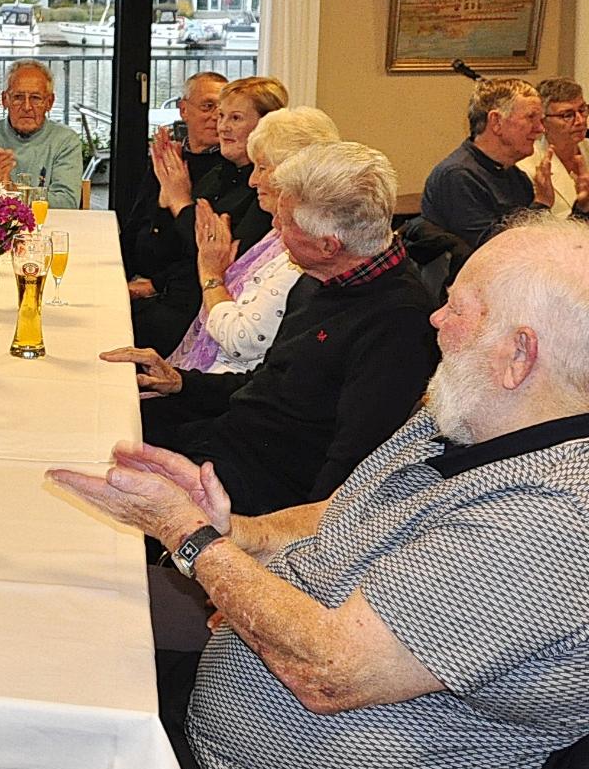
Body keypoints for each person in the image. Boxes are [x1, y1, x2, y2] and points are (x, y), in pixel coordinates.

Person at [49, 215, 589, 769]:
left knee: (31, 722)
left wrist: (192, 539)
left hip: (241, 767)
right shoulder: (468, 420)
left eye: (458, 308)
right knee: (56, 638)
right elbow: (345, 512)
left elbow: (330, 671)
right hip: (219, 708)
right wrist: (235, 533)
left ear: (519, 354)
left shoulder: (553, 521)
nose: (435, 317)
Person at [104, 142, 437, 515]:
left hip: (263, 483)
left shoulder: (398, 323)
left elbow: (350, 467)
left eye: (287, 222)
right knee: (104, 419)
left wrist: (287, 542)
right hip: (230, 436)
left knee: (107, 480)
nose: (275, 226)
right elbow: (266, 382)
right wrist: (182, 382)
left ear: (328, 245)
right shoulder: (320, 278)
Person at [167, 106, 340, 374]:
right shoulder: (277, 232)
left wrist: (211, 275)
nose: (252, 180)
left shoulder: (301, 250)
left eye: (262, 167)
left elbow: (243, 341)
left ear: (293, 174)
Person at [129, 76, 286, 356]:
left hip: (205, 315)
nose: (222, 125)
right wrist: (166, 202)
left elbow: (226, 262)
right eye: (221, 115)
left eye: (235, 118)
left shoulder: (266, 192)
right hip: (174, 297)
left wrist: (180, 202)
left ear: (266, 126)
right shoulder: (217, 173)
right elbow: (165, 253)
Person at [422, 78, 586, 249]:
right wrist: (542, 202)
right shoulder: (458, 176)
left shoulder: (514, 174)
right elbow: (493, 250)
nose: (540, 129)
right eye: (531, 118)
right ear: (496, 122)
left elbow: (546, 242)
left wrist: (582, 208)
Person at [120, 72, 227, 276]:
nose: (216, 117)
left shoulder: (228, 167)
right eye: (208, 106)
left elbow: (203, 249)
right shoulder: (169, 157)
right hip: (141, 268)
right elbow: (136, 222)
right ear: (184, 110)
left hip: (176, 281)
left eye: (223, 110)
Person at [0, 59, 83, 207]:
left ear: (49, 102)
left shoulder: (65, 139)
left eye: (35, 98)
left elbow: (67, 202)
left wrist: (9, 191)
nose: (27, 107)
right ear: (5, 100)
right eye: (18, 97)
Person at [516, 76, 589, 218]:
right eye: (567, 115)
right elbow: (531, 225)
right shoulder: (526, 166)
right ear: (543, 121)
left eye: (582, 110)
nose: (580, 121)